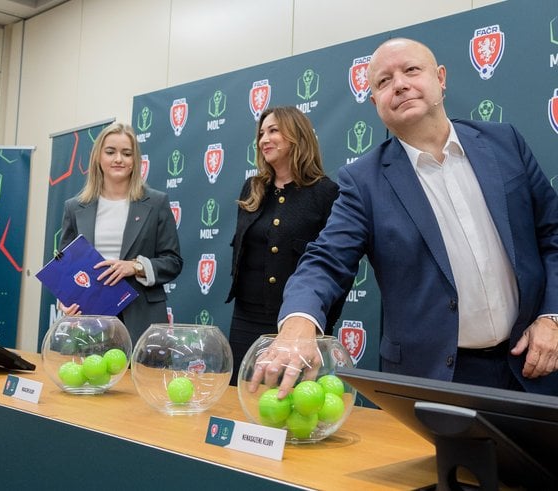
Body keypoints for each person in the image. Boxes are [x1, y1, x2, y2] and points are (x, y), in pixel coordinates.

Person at [251, 38, 558, 398]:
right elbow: (326, 260)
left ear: (440, 78)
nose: (399, 84)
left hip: (534, 363)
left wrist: (552, 316)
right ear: (375, 102)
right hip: (434, 378)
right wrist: (300, 320)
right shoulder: (362, 181)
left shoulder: (505, 143)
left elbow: (552, 235)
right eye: (383, 81)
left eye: (412, 70)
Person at [226, 106, 347, 384]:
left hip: (295, 323)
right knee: (244, 393)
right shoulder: (252, 188)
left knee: (291, 402)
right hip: (245, 318)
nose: (263, 139)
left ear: (297, 136)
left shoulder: (325, 192)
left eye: (273, 131)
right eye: (261, 133)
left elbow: (334, 263)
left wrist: (319, 325)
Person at [58, 122, 183, 344]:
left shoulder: (156, 202)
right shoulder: (74, 207)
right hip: (89, 317)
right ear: (98, 157)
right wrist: (64, 300)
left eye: (127, 153)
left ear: (135, 161)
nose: (118, 159)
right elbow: (64, 266)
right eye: (110, 152)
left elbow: (173, 262)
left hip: (142, 318)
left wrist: (134, 266)